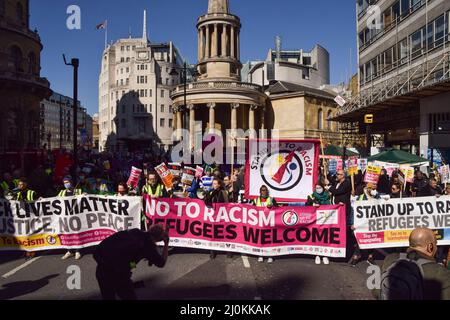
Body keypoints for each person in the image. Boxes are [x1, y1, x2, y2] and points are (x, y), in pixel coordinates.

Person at [94, 225, 169, 300]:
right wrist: (166, 244)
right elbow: (161, 263)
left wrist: (130, 266)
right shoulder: (148, 246)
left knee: (108, 297)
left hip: (102, 269)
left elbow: (129, 258)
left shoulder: (135, 232)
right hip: (119, 276)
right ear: (159, 238)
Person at [374, 228, 450, 300]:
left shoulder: (390, 259)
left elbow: (376, 291)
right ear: (430, 247)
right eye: (436, 244)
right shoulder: (442, 273)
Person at [349, 183, 379, 266]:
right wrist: (352, 223)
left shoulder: (377, 196)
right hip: (362, 222)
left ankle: (370, 256)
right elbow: (354, 210)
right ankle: (356, 256)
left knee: (372, 237)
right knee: (361, 238)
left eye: (375, 189)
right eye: (372, 189)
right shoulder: (360, 197)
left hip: (373, 221)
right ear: (367, 188)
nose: (374, 191)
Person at [251, 185, 278, 264]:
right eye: (262, 190)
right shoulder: (255, 200)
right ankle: (261, 255)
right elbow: (251, 210)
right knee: (260, 239)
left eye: (265, 190)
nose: (264, 191)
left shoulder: (272, 199)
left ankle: (270, 256)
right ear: (260, 192)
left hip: (269, 223)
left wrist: (272, 206)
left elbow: (278, 209)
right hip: (259, 223)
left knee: (270, 239)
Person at [205, 178, 229, 259]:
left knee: (224, 233)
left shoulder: (223, 192)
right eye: (213, 183)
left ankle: (228, 251)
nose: (214, 185)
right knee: (213, 233)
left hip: (222, 215)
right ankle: (212, 252)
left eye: (215, 183)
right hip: (213, 216)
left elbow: (227, 203)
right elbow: (207, 202)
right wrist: (208, 195)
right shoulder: (211, 192)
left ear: (219, 184)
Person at [306, 184, 331, 265]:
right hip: (315, 219)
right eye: (317, 188)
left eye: (320, 187)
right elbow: (306, 206)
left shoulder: (328, 195)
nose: (318, 189)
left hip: (326, 219)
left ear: (323, 188)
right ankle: (317, 255)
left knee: (325, 236)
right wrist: (313, 205)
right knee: (317, 236)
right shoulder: (311, 196)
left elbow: (334, 204)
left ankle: (324, 255)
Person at [13, 178, 38, 260]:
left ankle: (32, 251)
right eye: (19, 185)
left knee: (31, 233)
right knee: (23, 234)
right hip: (21, 218)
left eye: (21, 184)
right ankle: (26, 250)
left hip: (31, 216)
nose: (20, 186)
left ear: (25, 184)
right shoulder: (17, 193)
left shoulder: (32, 193)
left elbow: (38, 202)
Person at [59, 176, 83, 260]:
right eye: (64, 183)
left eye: (67, 182)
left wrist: (84, 195)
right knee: (67, 233)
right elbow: (56, 200)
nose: (66, 184)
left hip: (76, 215)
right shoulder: (62, 192)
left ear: (71, 182)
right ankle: (69, 251)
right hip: (66, 216)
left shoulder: (78, 191)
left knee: (77, 233)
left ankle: (77, 250)